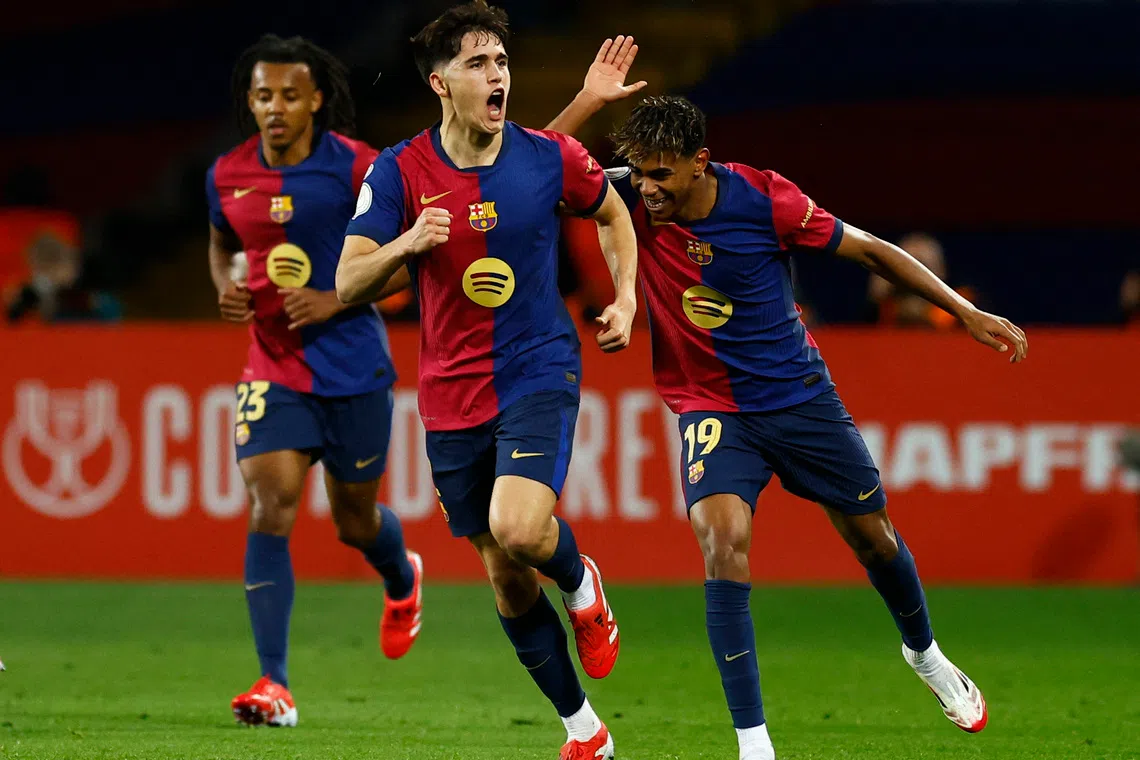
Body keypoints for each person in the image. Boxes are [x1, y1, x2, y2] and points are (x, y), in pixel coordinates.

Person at [549, 89, 1028, 759]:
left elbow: (870, 251)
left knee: (874, 539)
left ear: (699, 163)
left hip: (798, 399)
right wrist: (587, 102)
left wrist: (964, 311)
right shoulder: (625, 195)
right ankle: (755, 745)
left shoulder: (765, 201)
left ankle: (924, 653)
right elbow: (521, 168)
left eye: (662, 173)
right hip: (712, 407)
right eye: (641, 171)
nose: (649, 188)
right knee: (722, 542)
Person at [336, 4, 639, 758]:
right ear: (441, 83)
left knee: (520, 527)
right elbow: (346, 283)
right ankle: (584, 731)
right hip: (448, 396)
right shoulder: (400, 172)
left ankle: (581, 585)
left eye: (501, 61)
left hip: (539, 368)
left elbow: (612, 213)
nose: (496, 74)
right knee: (505, 580)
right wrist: (405, 242)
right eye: (478, 64)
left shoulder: (548, 157)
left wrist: (626, 295)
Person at [205, 33, 422, 728]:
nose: (275, 108)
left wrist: (336, 297)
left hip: (354, 366)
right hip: (272, 366)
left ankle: (402, 575)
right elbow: (222, 242)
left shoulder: (360, 168)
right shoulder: (227, 175)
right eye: (264, 95)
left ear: (318, 100)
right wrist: (226, 287)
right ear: (250, 101)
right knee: (271, 504)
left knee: (355, 524)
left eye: (290, 96)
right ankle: (274, 684)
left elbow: (406, 252)